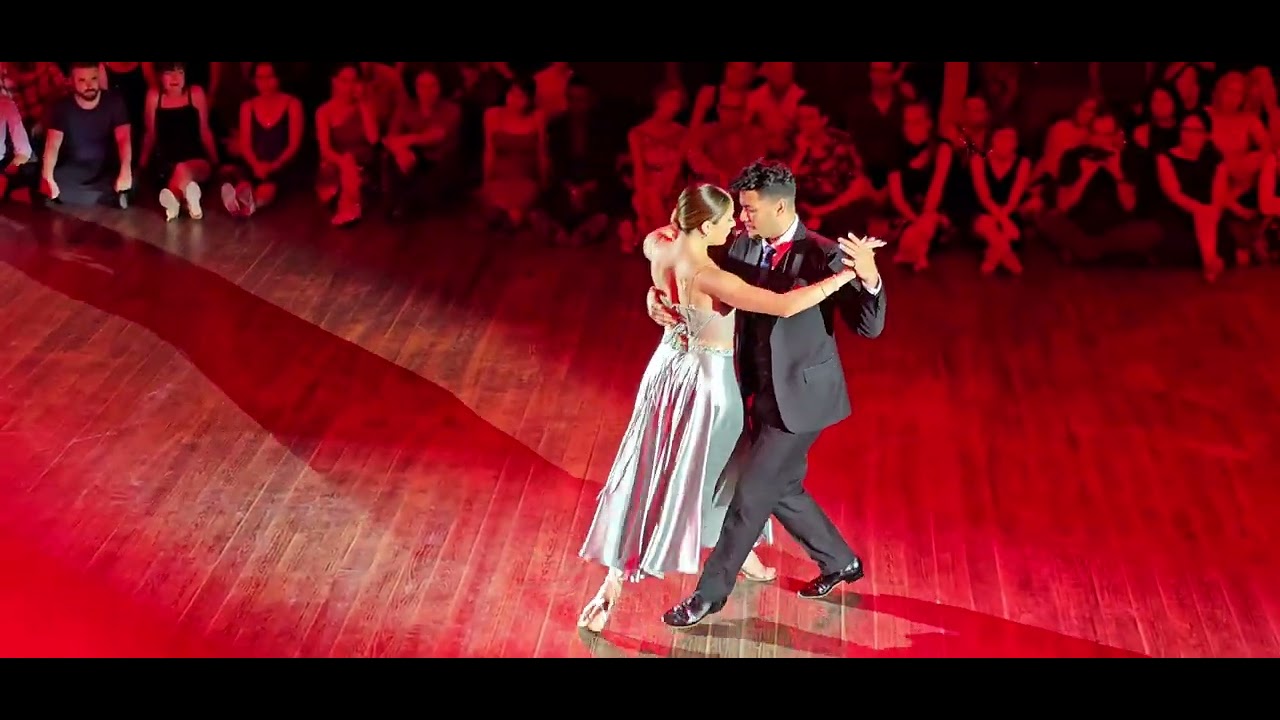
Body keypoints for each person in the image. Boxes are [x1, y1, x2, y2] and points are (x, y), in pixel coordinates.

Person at [576, 182, 877, 633]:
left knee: (714, 474)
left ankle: (786, 555)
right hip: (707, 388)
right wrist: (844, 276)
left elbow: (665, 249)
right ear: (705, 226)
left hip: (667, 373)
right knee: (712, 484)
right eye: (727, 219)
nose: (737, 223)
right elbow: (785, 304)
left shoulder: (658, 244)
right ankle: (655, 588)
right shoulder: (711, 275)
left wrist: (654, 297)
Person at [41, 62, 133, 208]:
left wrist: (125, 169)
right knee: (55, 184)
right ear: (72, 82)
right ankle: (111, 197)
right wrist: (48, 177)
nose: (89, 85)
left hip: (106, 166)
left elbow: (124, 138)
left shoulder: (114, 101)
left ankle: (114, 193)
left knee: (129, 176)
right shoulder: (62, 107)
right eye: (82, 80)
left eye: (93, 79)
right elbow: (52, 144)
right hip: (76, 167)